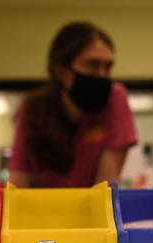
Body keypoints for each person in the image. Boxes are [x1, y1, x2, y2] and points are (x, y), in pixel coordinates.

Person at [9, 21, 138, 188]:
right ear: (61, 71)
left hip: (91, 210)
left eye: (108, 66)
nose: (102, 75)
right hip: (41, 210)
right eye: (92, 65)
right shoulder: (33, 108)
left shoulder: (115, 98)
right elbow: (17, 186)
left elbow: (104, 190)